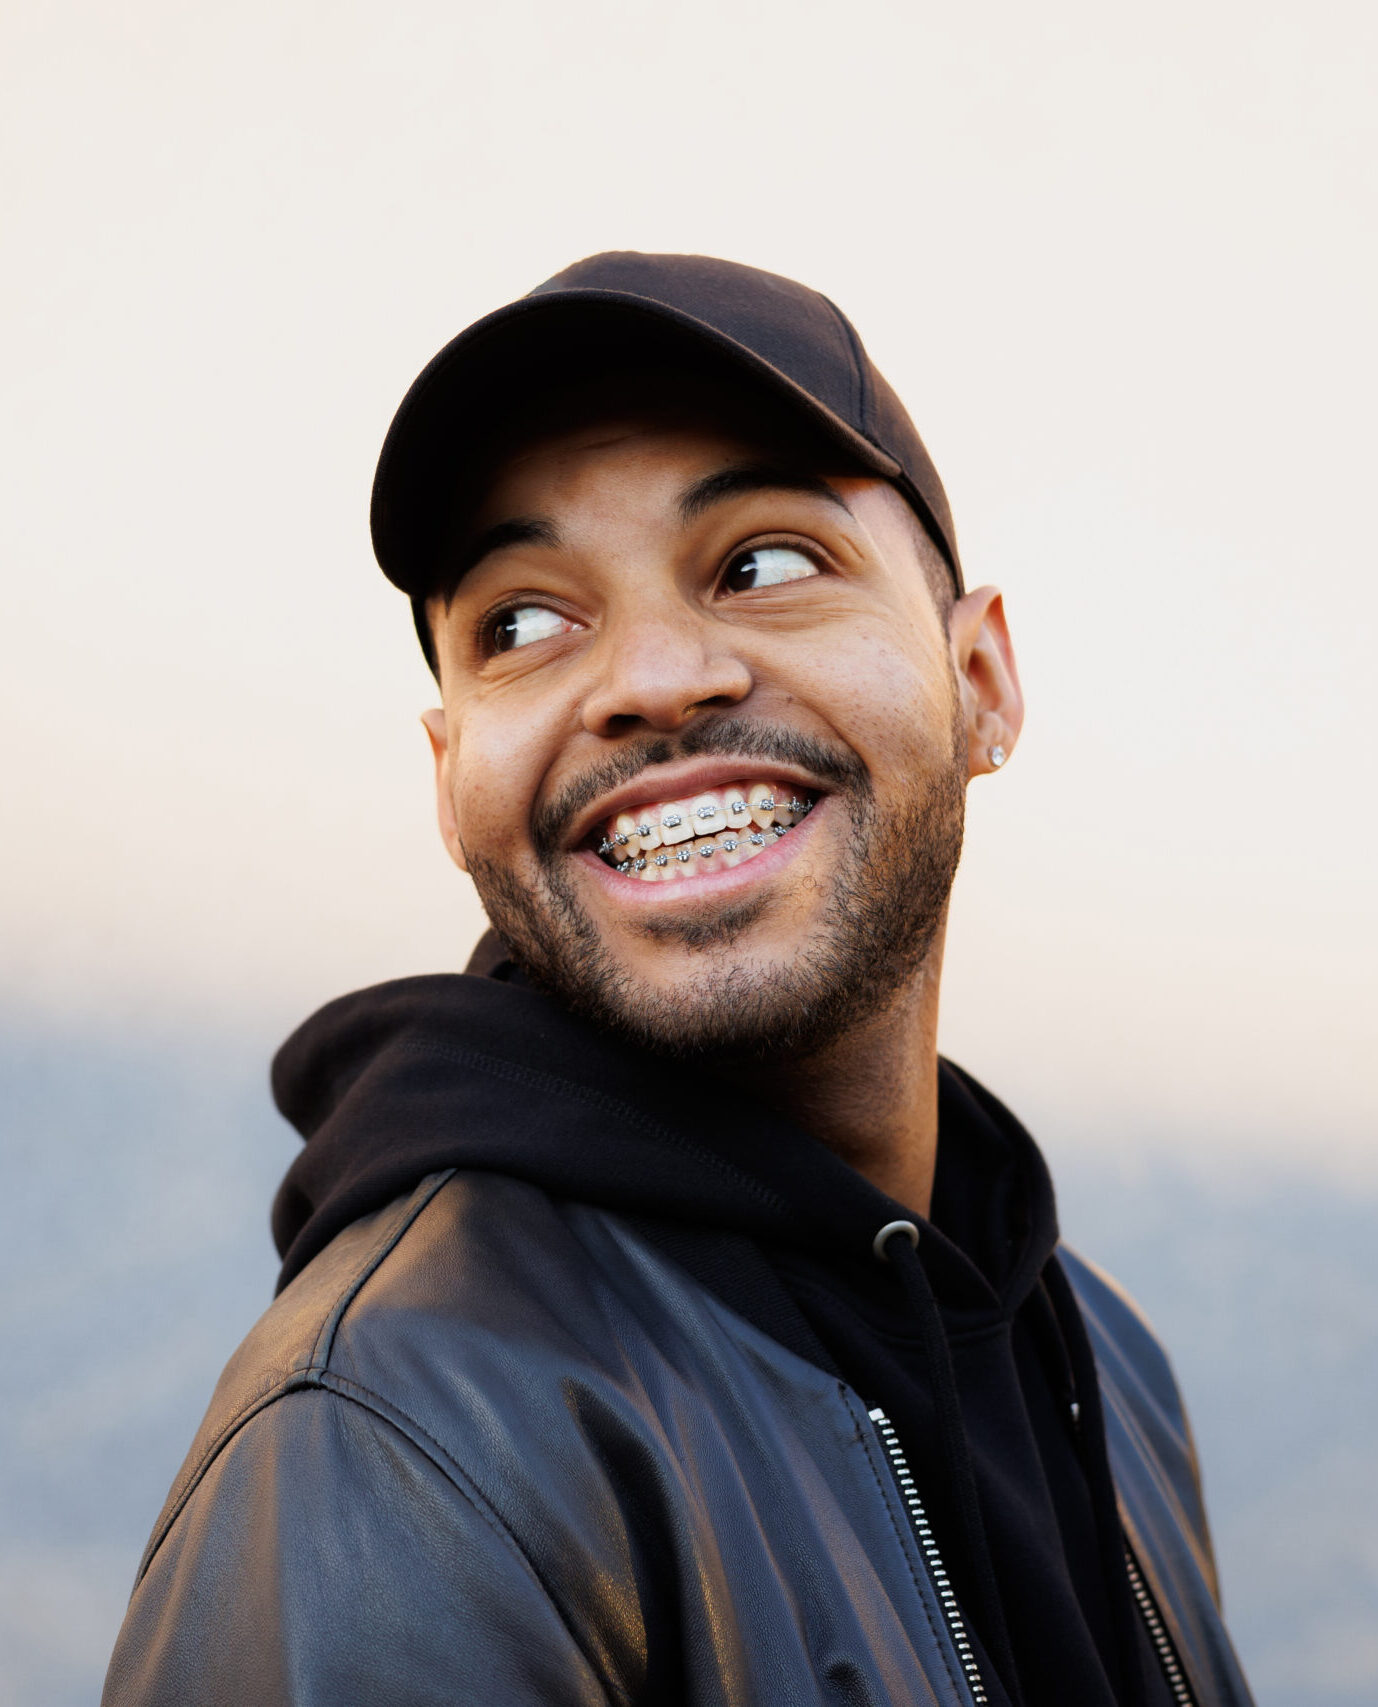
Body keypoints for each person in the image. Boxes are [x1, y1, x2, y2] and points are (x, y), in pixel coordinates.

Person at [103, 252, 1255, 1707]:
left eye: (762, 563)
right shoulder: (397, 1438)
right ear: (451, 780)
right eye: (521, 621)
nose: (651, 673)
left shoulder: (1101, 1362)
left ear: (980, 681)